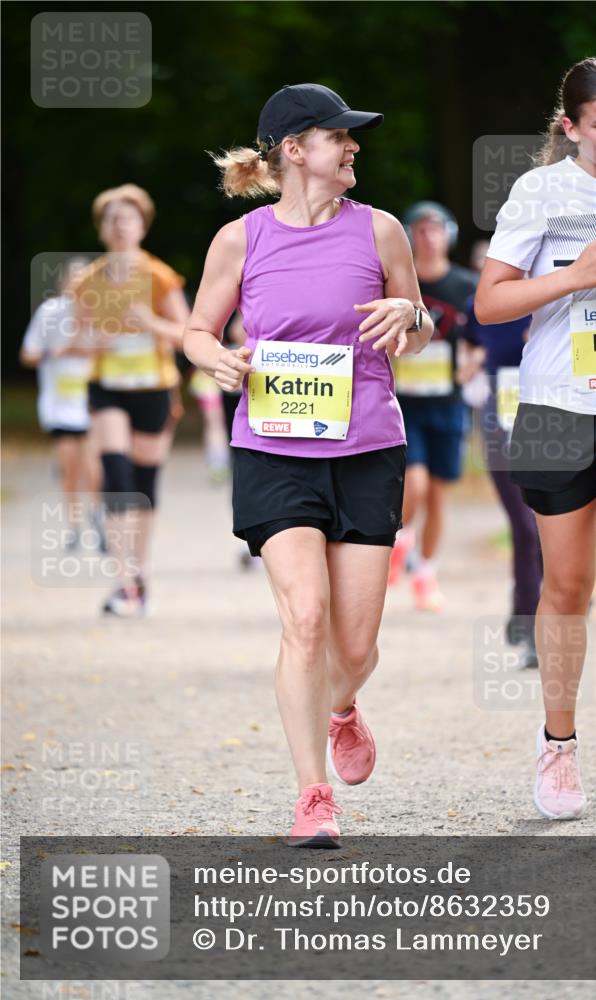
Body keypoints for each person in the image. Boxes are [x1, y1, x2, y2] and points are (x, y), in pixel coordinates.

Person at [183, 83, 433, 847]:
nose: (354, 146)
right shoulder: (242, 239)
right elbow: (197, 328)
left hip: (365, 448)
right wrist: (217, 359)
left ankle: (342, 706)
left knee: (354, 648)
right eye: (338, 136)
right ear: (294, 150)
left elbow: (418, 326)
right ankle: (312, 795)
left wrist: (411, 318)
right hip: (273, 448)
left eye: (354, 136)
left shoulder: (381, 231)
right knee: (306, 619)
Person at [475, 57, 596, 824]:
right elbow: (491, 304)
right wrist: (573, 276)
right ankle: (557, 744)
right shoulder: (540, 193)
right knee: (565, 591)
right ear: (569, 128)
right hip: (555, 409)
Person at [69, 184, 190, 616]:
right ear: (102, 229)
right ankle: (123, 581)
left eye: (128, 219)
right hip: (107, 388)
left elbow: (189, 334)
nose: (120, 226)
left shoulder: (158, 276)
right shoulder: (88, 281)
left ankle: (139, 571)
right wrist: (91, 341)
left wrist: (153, 323)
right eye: (112, 219)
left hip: (154, 389)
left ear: (142, 226)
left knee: (144, 483)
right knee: (117, 476)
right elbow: (71, 341)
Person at [389, 202, 478, 611]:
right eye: (421, 230)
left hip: (448, 402)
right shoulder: (399, 284)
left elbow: (483, 338)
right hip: (406, 403)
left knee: (440, 494)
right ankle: (400, 541)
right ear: (409, 236)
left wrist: (470, 365)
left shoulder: (465, 286)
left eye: (436, 229)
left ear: (449, 235)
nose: (428, 237)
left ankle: (425, 571)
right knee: (416, 484)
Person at [461, 250, 542, 670]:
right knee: (526, 526)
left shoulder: (553, 294)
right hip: (501, 421)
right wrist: (469, 364)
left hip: (554, 420)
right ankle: (530, 626)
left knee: (551, 525)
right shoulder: (483, 306)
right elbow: (471, 344)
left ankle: (531, 609)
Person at [20, 256, 103, 549]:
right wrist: (54, 353)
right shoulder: (50, 312)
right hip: (60, 403)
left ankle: (98, 519)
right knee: (69, 468)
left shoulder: (99, 312)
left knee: (94, 466)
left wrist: (88, 350)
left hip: (93, 400)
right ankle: (75, 527)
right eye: (74, 277)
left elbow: (111, 350)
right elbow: (27, 354)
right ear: (63, 281)